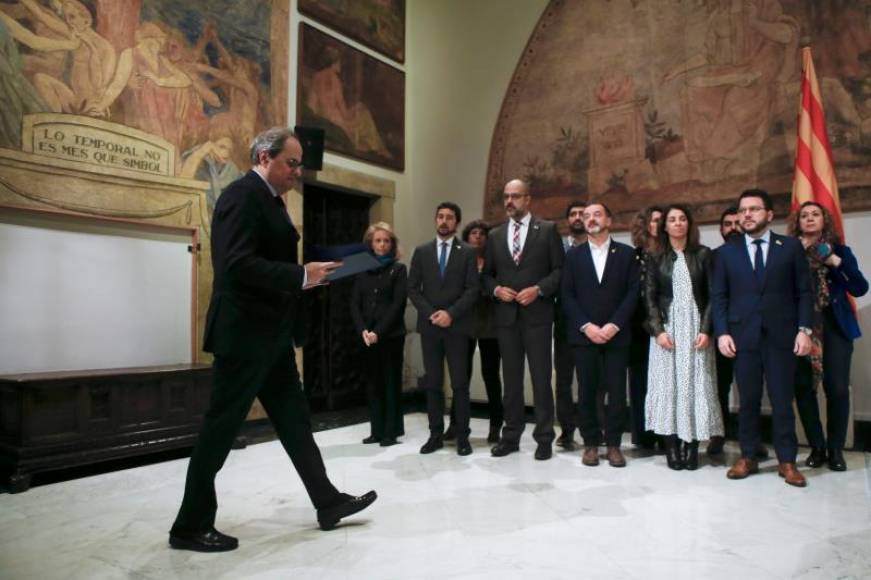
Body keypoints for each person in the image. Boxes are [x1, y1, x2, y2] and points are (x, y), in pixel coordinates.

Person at [169, 128, 376, 552]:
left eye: (300, 165)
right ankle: (189, 525)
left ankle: (327, 502)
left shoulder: (269, 201)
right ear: (265, 156)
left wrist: (305, 274)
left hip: (271, 337)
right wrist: (301, 276)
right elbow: (235, 265)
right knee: (221, 429)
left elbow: (263, 260)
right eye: (292, 163)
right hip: (245, 337)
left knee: (296, 424)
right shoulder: (241, 196)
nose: (298, 172)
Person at [712, 189, 813, 487]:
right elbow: (719, 297)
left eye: (754, 209)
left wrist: (804, 330)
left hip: (782, 337)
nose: (747, 215)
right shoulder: (726, 253)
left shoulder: (790, 247)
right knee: (748, 401)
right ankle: (747, 457)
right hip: (743, 337)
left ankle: (787, 461)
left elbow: (804, 293)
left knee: (782, 401)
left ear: (769, 215)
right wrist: (722, 333)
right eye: (743, 210)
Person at [482, 179, 563, 460]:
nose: (509, 201)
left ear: (528, 199)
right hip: (506, 319)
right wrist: (495, 289)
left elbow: (559, 271)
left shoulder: (548, 230)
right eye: (506, 196)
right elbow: (487, 275)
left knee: (541, 380)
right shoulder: (494, 235)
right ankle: (511, 436)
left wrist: (539, 289)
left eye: (515, 196)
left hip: (538, 316)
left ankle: (544, 439)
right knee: (511, 381)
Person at [790, 202, 867, 472]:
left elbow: (859, 287)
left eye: (815, 214)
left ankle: (835, 449)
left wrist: (833, 260)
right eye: (804, 215)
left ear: (825, 220)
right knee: (804, 389)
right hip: (800, 329)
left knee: (835, 389)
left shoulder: (840, 251)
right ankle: (817, 446)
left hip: (834, 327)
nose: (810, 219)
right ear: (797, 222)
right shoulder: (789, 252)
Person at [644, 205, 723, 470]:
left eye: (682, 219)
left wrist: (706, 330)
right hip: (667, 333)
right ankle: (671, 447)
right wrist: (659, 330)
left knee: (694, 385)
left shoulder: (703, 254)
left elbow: (713, 296)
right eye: (672, 220)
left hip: (696, 332)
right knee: (668, 388)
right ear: (664, 226)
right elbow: (650, 298)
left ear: (689, 224)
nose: (677, 224)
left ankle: (691, 447)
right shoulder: (654, 257)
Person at [561, 202, 640, 468]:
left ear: (609, 219)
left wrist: (613, 325)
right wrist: (587, 326)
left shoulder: (627, 254)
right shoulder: (573, 255)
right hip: (584, 337)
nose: (591, 219)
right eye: (586, 216)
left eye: (597, 215)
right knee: (586, 391)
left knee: (617, 392)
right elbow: (567, 295)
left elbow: (632, 293)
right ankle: (591, 444)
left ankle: (615, 444)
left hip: (617, 336)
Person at [408, 203, 479, 456]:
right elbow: (413, 288)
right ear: (435, 220)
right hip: (430, 327)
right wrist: (431, 314)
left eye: (449, 218)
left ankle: (462, 436)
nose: (444, 221)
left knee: (460, 384)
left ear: (456, 223)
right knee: (434, 384)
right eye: (440, 216)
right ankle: (435, 435)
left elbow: (473, 289)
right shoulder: (422, 251)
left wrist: (451, 313)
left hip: (458, 327)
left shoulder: (468, 252)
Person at [707, 206, 770, 459]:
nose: (732, 227)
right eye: (727, 224)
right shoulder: (713, 257)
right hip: (721, 332)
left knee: (750, 389)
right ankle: (718, 434)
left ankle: (751, 439)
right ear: (721, 230)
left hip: (752, 331)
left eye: (736, 222)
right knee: (719, 387)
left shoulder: (756, 253)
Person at [443, 220, 504, 444]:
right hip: (464, 323)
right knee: (461, 376)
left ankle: (496, 425)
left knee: (491, 375)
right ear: (467, 237)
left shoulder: (495, 262)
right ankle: (455, 424)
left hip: (490, 324)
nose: (477, 236)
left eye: (482, 233)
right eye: (473, 233)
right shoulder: (460, 260)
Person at [351, 221, 408, 447]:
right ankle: (376, 430)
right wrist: (363, 330)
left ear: (392, 244)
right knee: (373, 383)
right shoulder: (363, 269)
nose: (382, 245)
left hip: (391, 335)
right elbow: (355, 303)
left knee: (390, 382)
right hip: (368, 336)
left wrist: (378, 332)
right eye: (378, 241)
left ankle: (390, 433)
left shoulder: (399, 269)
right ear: (370, 244)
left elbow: (397, 305)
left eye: (386, 241)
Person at [628, 205, 662, 450]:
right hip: (638, 329)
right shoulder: (633, 256)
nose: (658, 225)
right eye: (653, 220)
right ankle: (643, 435)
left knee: (665, 383)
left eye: (663, 220)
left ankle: (667, 433)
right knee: (640, 383)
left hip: (668, 327)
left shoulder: (674, 254)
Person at [554, 201, 586, 450]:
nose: (577, 217)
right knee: (564, 381)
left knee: (591, 380)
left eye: (581, 214)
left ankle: (590, 430)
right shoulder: (558, 248)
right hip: (564, 322)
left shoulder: (599, 249)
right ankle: (566, 430)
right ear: (567, 220)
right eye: (572, 214)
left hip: (594, 324)